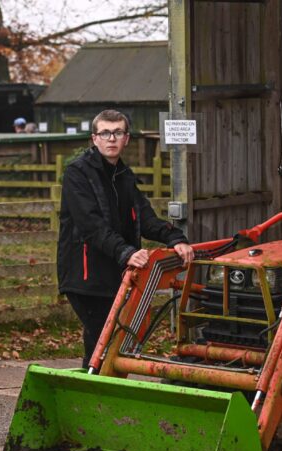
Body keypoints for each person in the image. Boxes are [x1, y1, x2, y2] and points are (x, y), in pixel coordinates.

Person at [57, 109, 194, 368]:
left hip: (115, 271)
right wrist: (126, 251)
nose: (112, 139)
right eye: (105, 133)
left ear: (126, 139)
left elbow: (146, 218)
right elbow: (91, 225)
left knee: (113, 338)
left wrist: (175, 238)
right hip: (84, 273)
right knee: (102, 334)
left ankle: (96, 384)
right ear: (94, 138)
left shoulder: (125, 177)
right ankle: (93, 384)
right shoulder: (78, 174)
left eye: (118, 132)